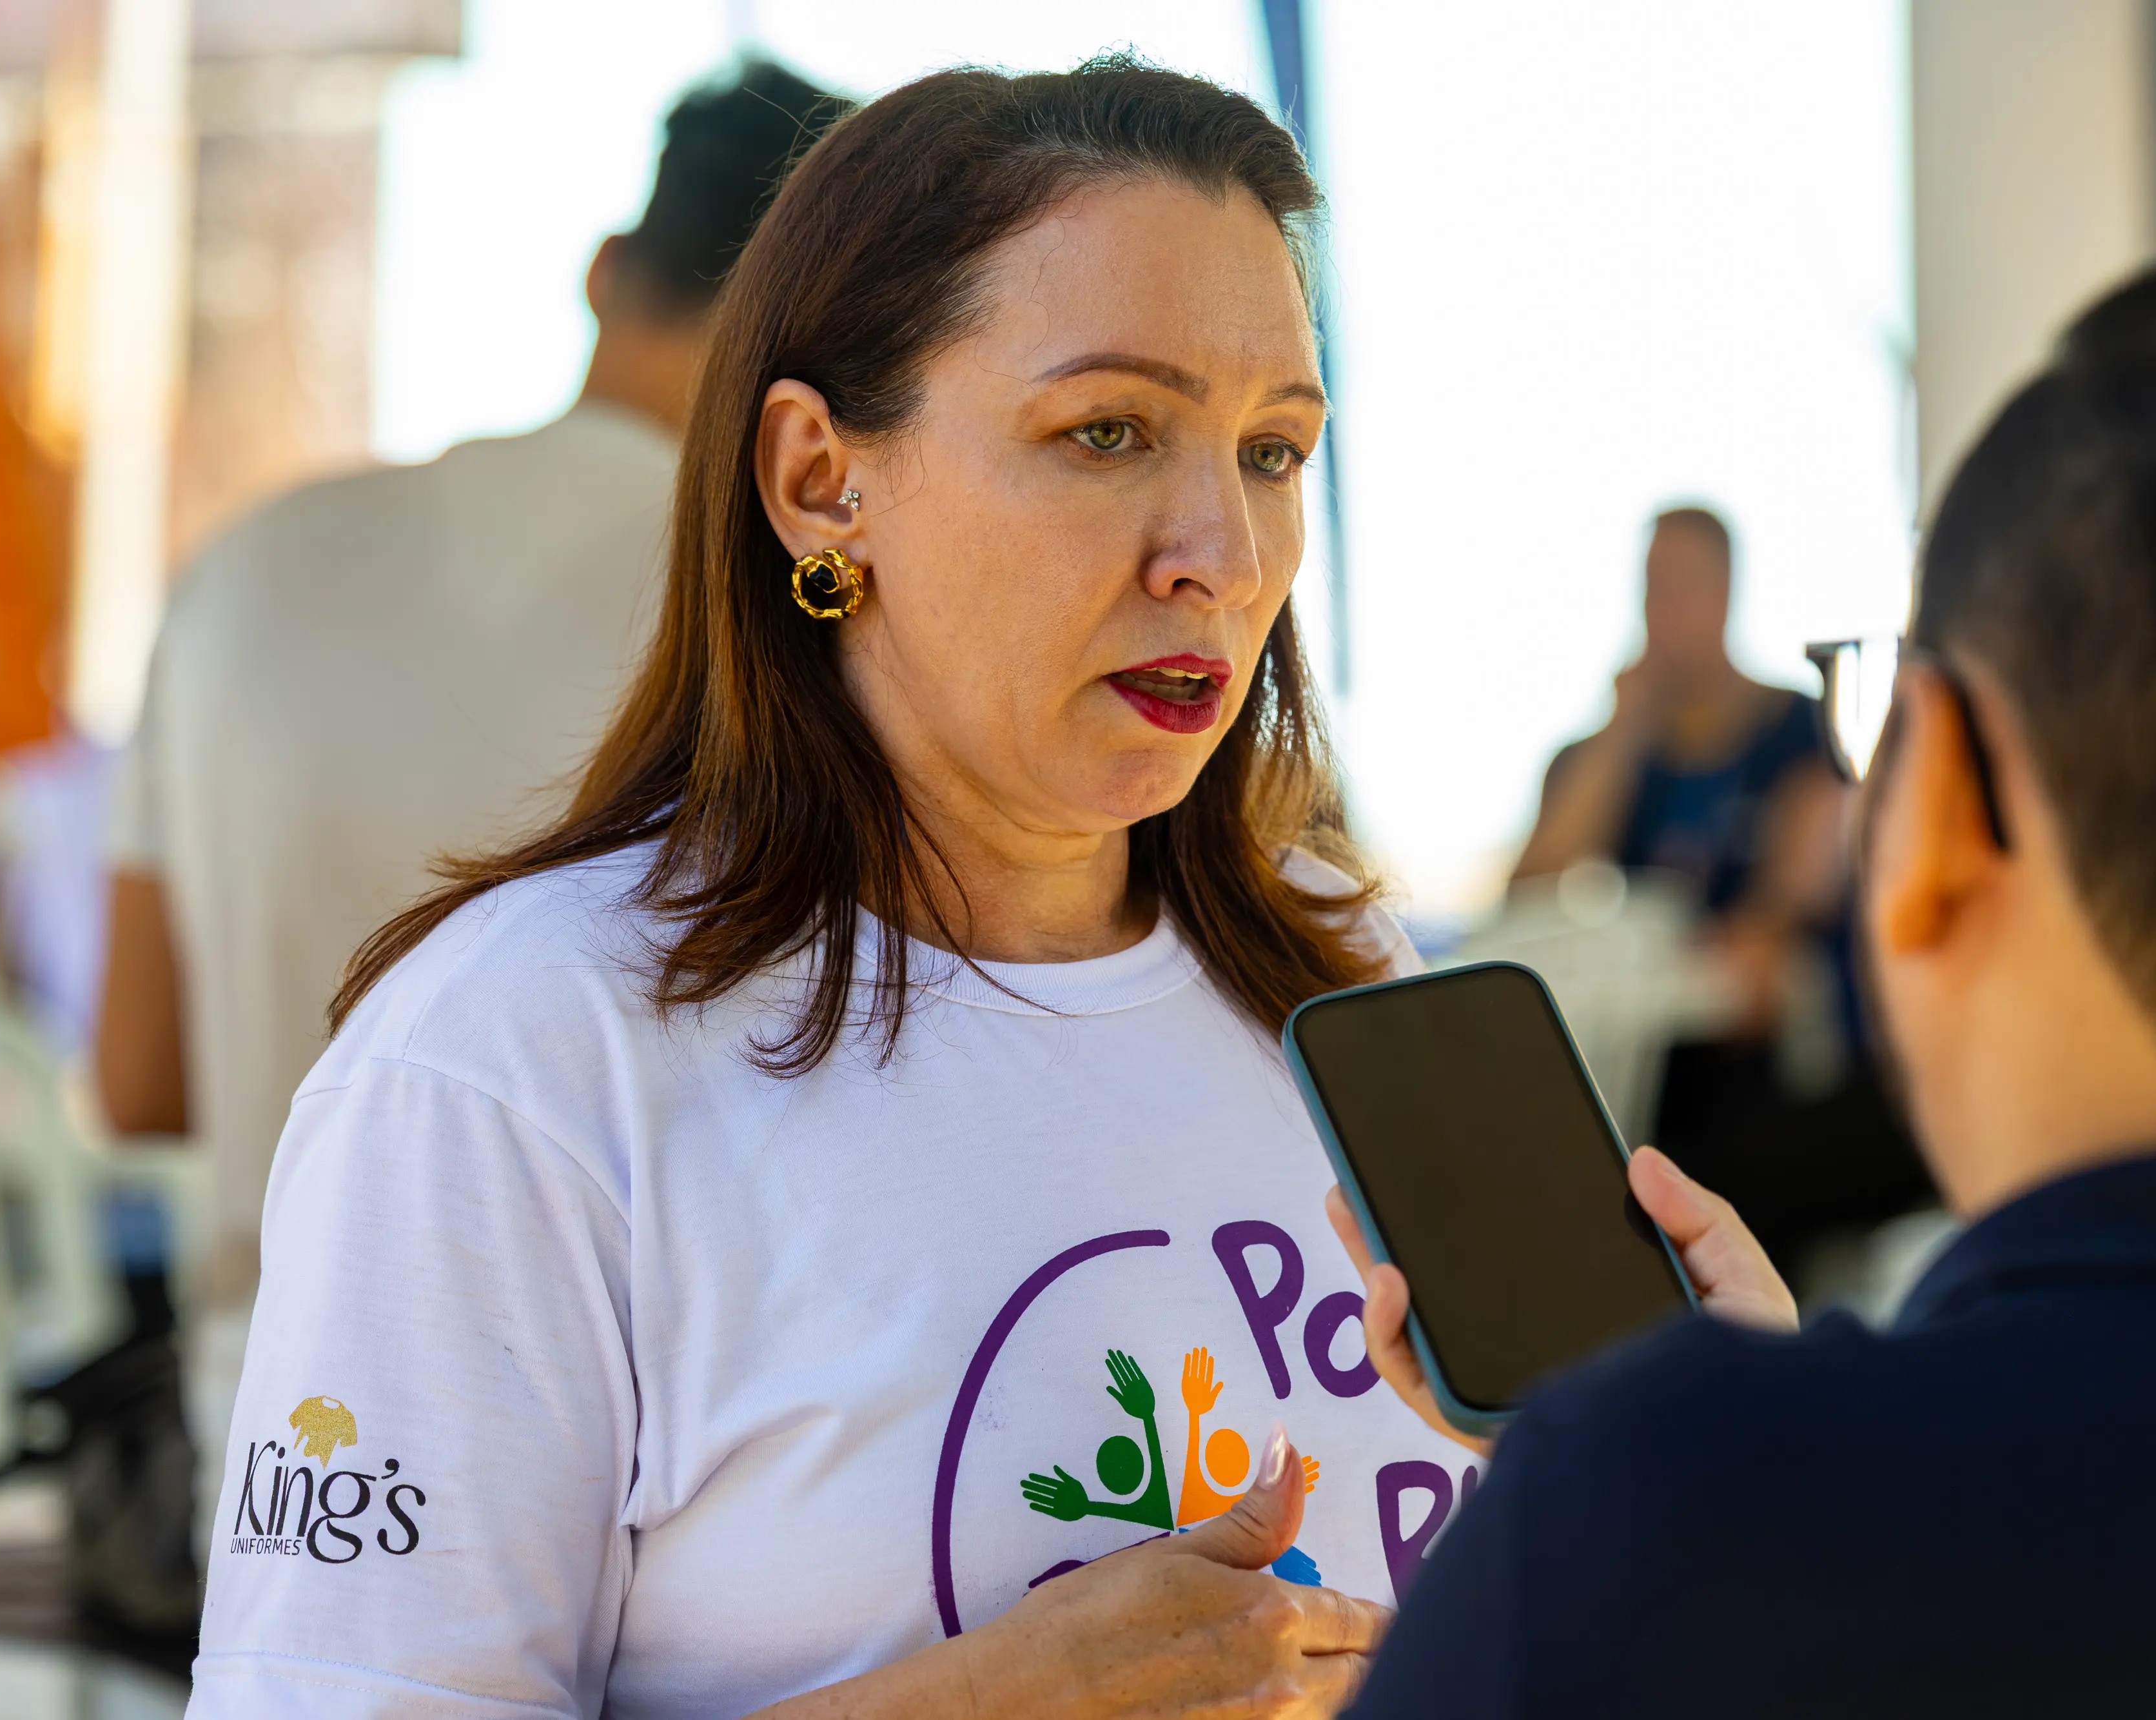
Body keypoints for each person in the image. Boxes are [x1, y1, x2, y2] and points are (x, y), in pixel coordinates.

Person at [185, 59, 1780, 1720]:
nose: (1218, 553)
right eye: (1107, 430)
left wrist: (1733, 1477)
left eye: (1273, 450)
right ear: (819, 480)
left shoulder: (1343, 974)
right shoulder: (513, 1068)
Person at [1335, 279, 2156, 1715]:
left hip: (1779, 1091)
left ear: (1933, 805)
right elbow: (1542, 875)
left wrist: (1698, 1452)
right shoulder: (1626, 734)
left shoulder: (1641, 1513)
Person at [93, 59, 839, 1503]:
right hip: (687, 1467)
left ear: (608, 272)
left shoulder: (248, 567)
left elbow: (137, 1080)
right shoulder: (807, 614)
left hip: (281, 1457)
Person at [1512, 506, 1929, 1271]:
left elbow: (1793, 905)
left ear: (1727, 591)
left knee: (1697, 1179)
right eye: (1653, 586)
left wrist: (1759, 934)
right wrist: (1620, 735)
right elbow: (1528, 894)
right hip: (1657, 1050)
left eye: (1686, 584)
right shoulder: (1617, 745)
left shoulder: (1798, 731)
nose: (1666, 608)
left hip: (1787, 1064)